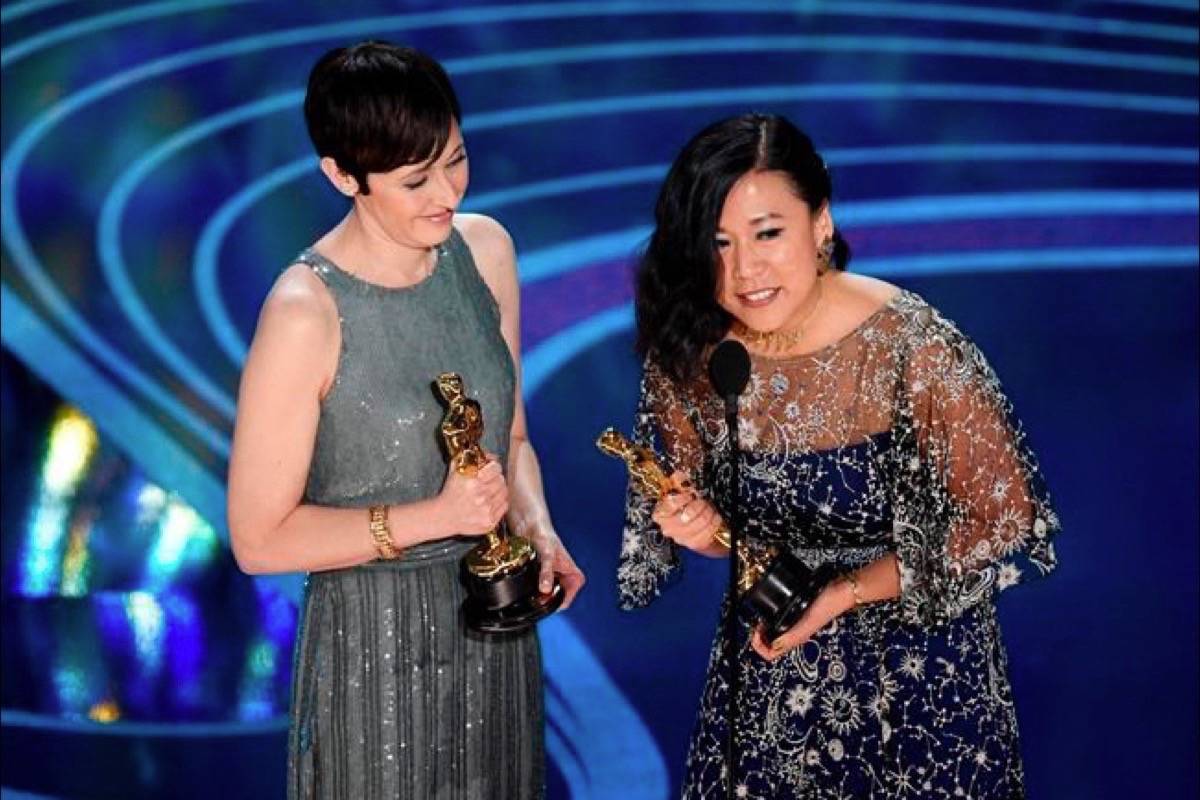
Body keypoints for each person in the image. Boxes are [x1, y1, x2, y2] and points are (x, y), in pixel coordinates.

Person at [618, 113, 1059, 799]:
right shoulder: (692, 352)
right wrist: (699, 531)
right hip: (775, 672)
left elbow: (1001, 517)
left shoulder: (911, 345)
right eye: (719, 243)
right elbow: (723, 535)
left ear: (821, 223)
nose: (744, 271)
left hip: (922, 675)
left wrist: (844, 593)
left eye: (768, 234)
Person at [226, 41, 584, 799]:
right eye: (416, 180)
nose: (446, 195)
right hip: (373, 650)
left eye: (456, 160)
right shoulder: (305, 312)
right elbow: (259, 539)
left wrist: (538, 529)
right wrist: (433, 517)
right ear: (341, 175)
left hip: (497, 635)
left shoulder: (484, 251)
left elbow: (509, 436)